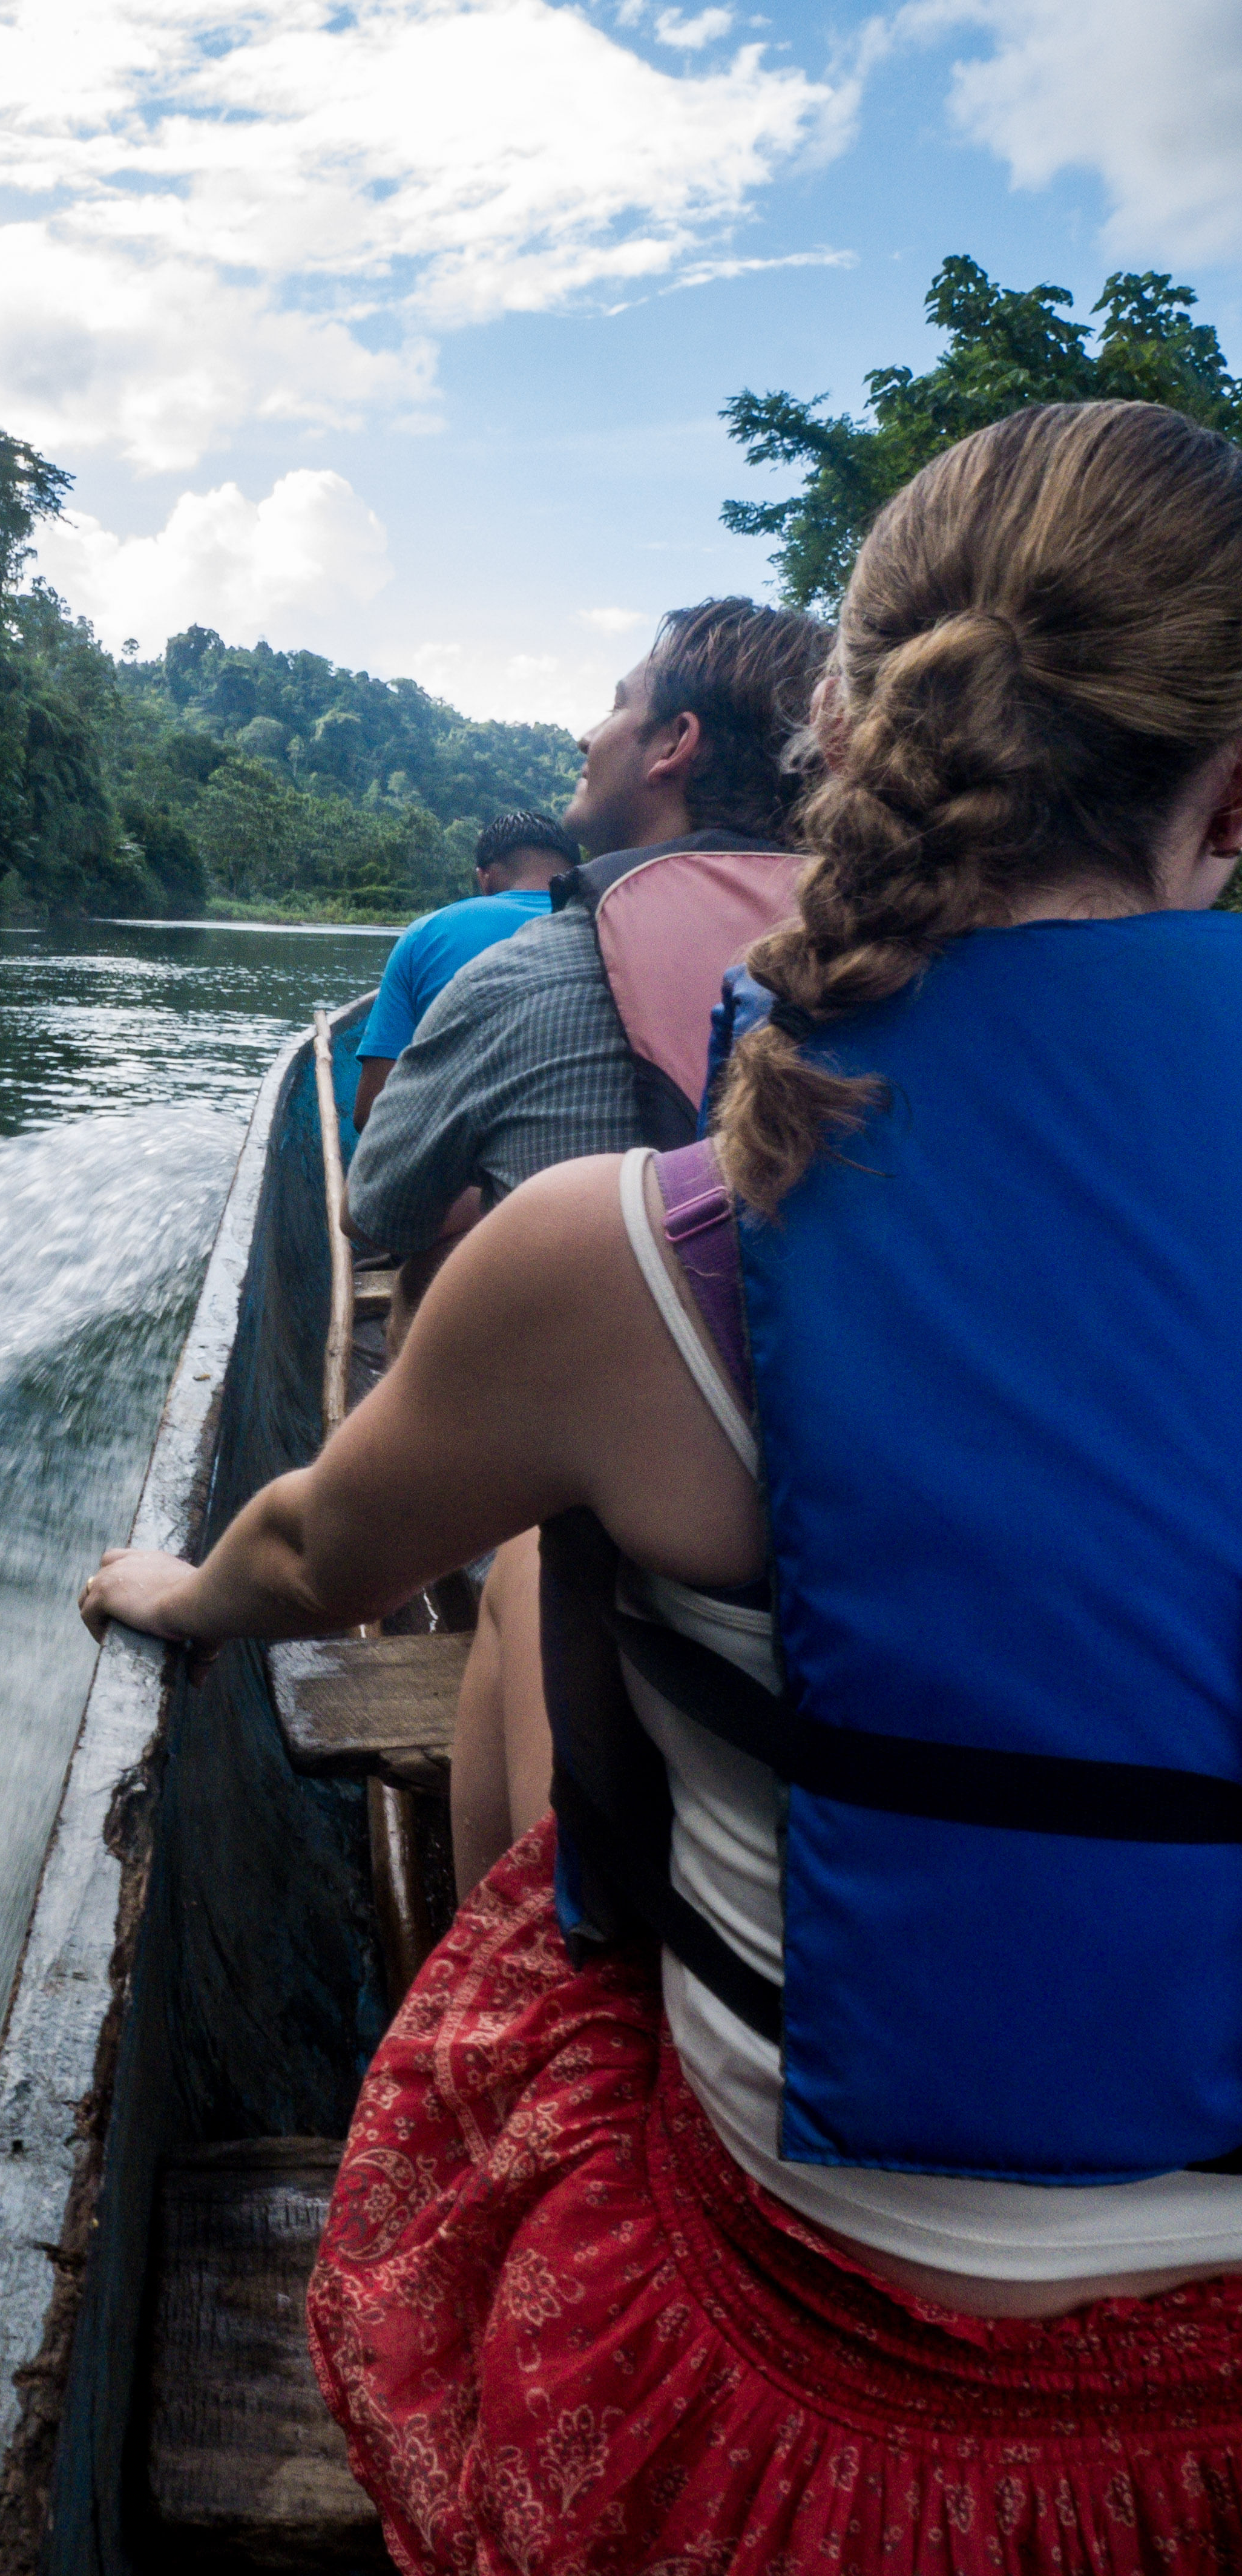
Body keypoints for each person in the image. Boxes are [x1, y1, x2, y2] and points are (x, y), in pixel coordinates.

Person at [82, 399, 1242, 2571]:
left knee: (544, 1601)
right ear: (1232, 798)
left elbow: (319, 1544)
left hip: (788, 2411)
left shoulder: (629, 1258)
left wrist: (188, 1595)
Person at [344, 599, 828, 1281]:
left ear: (673, 744)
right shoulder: (891, 958)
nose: (585, 735)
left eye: (615, 707)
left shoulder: (524, 977)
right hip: (815, 1365)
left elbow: (373, 1215)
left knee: (425, 1277)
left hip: (607, 1373)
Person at [350, 811, 577, 1133]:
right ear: (575, 872)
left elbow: (371, 1113)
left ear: (484, 876)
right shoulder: (611, 924)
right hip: (591, 1163)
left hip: (459, 1165)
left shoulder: (425, 933)